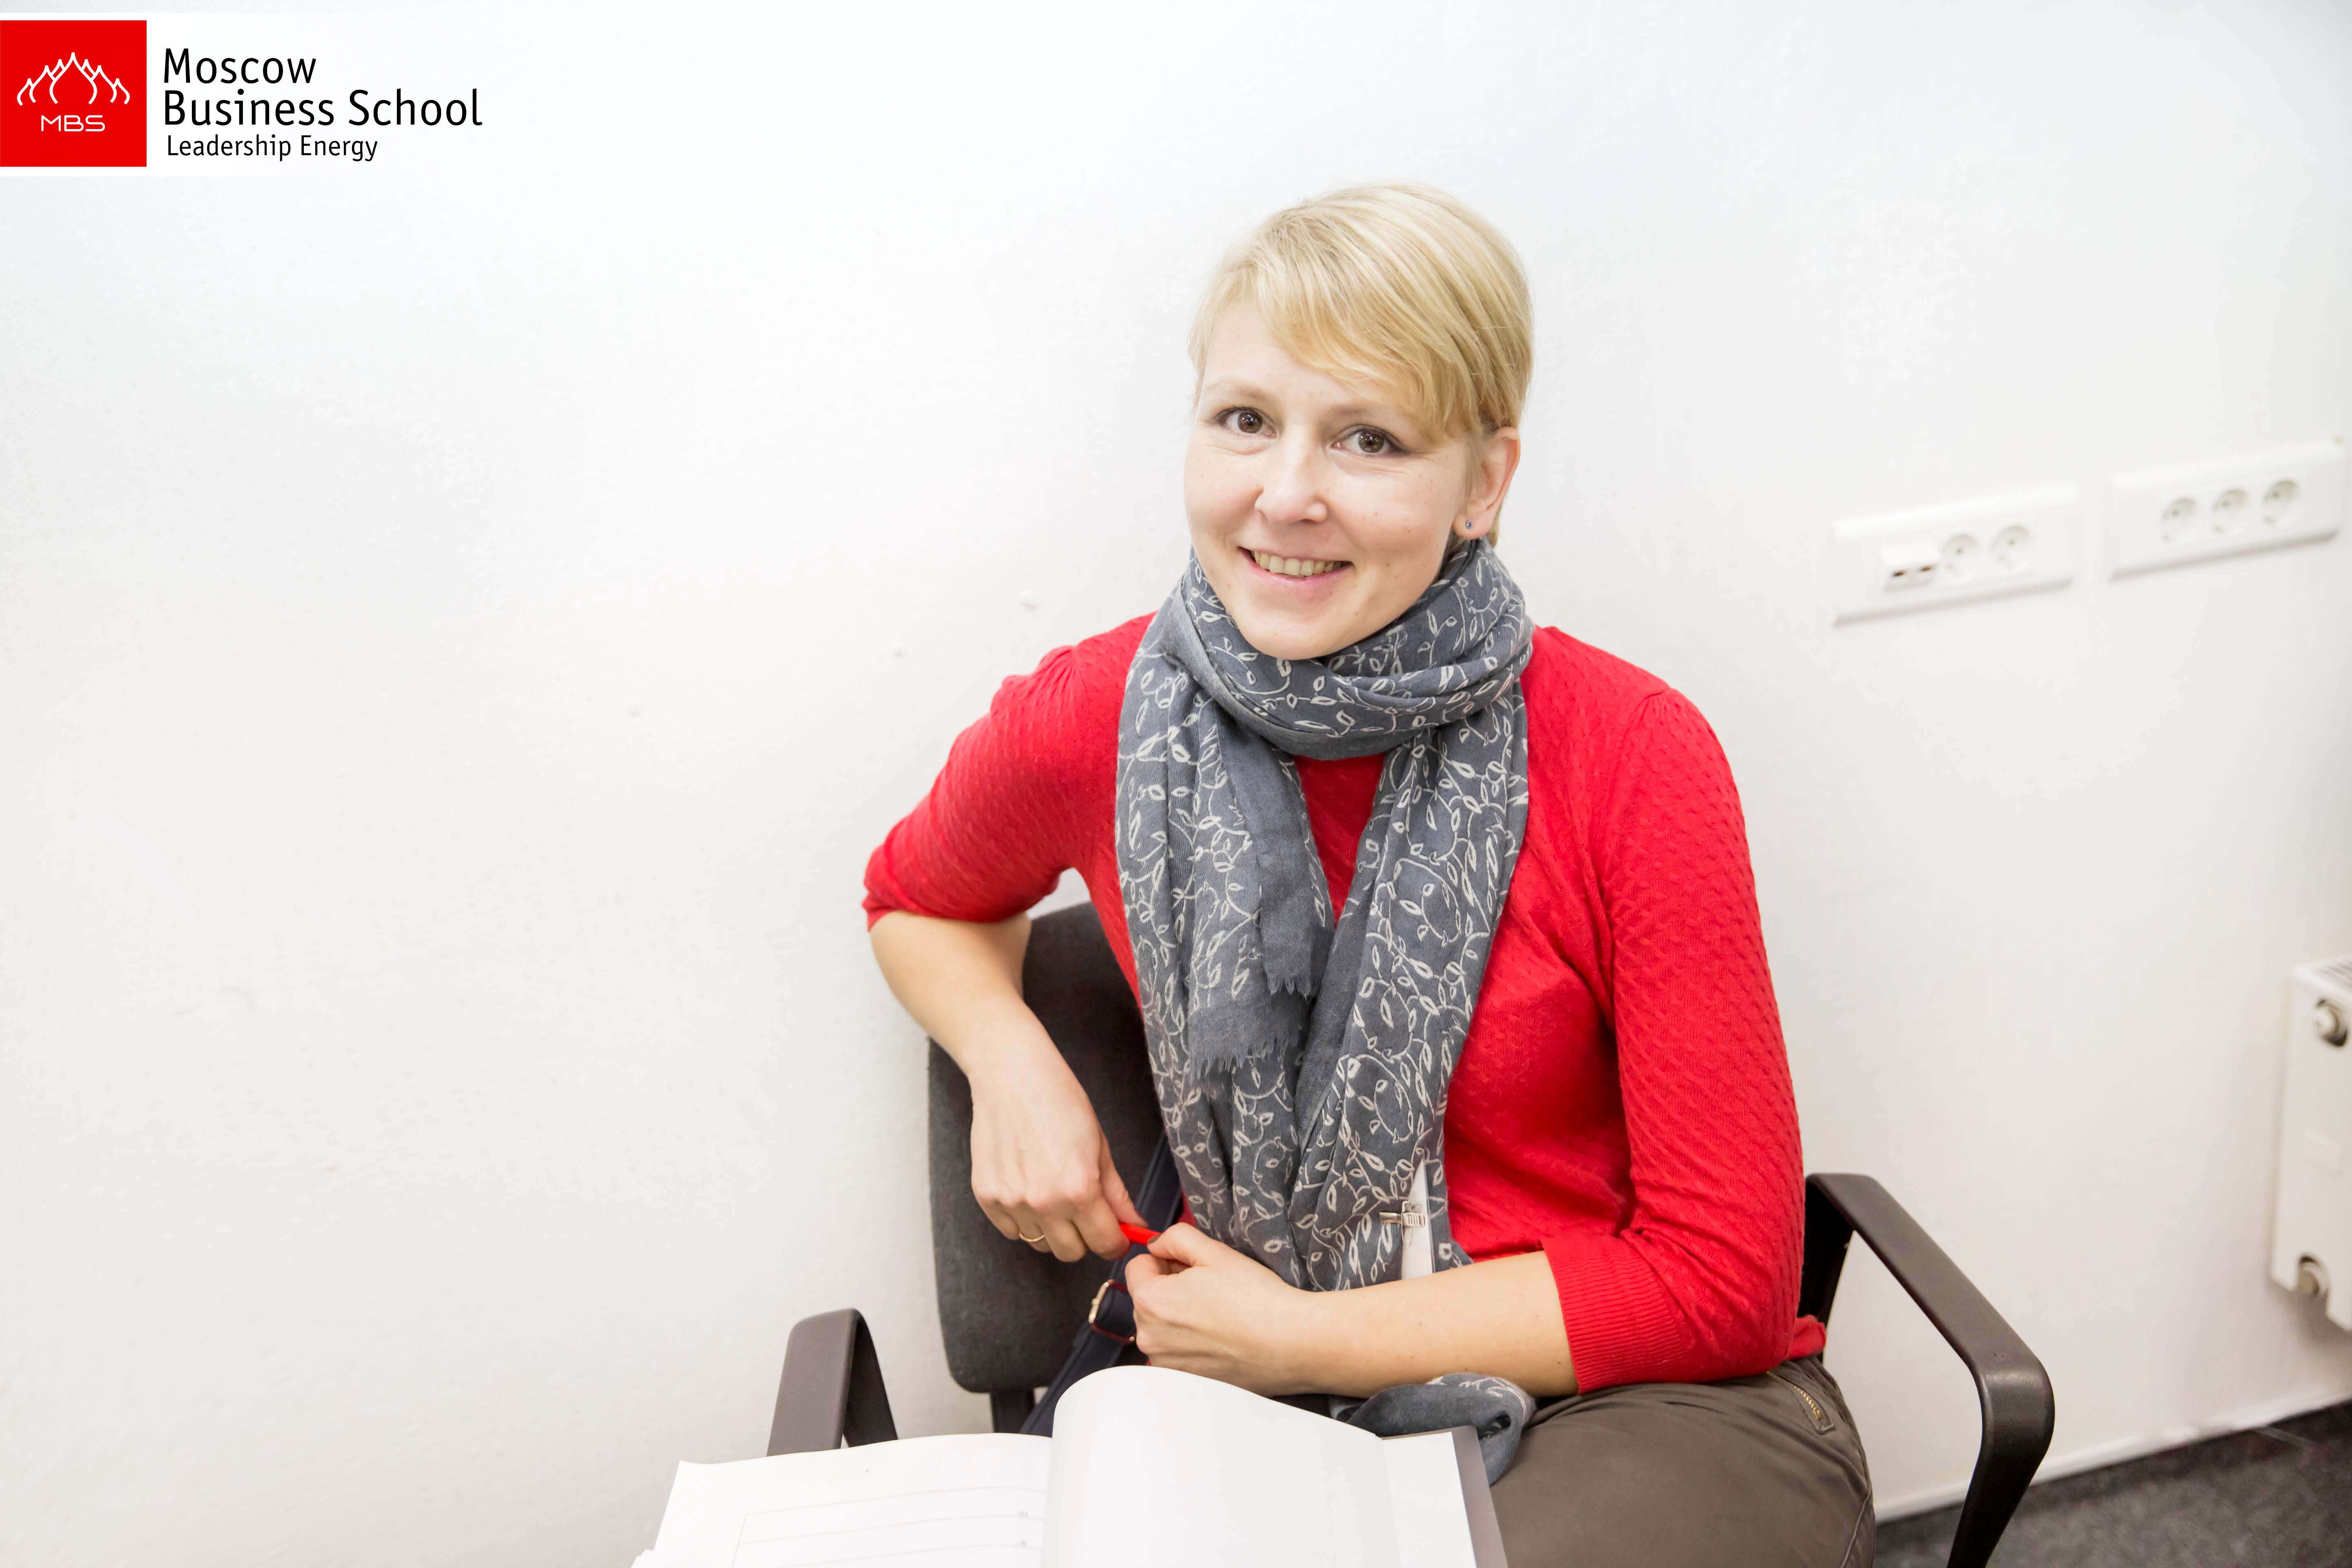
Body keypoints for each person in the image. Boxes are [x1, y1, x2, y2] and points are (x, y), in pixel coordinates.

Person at [862, 182, 1873, 1566]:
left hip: (1631, 1395)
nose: (1286, 494)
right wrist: (1008, 1059)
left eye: (1370, 438)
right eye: (1244, 420)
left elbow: (1724, 1282)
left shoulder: (1635, 754)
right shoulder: (1098, 718)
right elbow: (915, 898)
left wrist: (1300, 1337)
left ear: (1485, 483)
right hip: (1249, 1402)